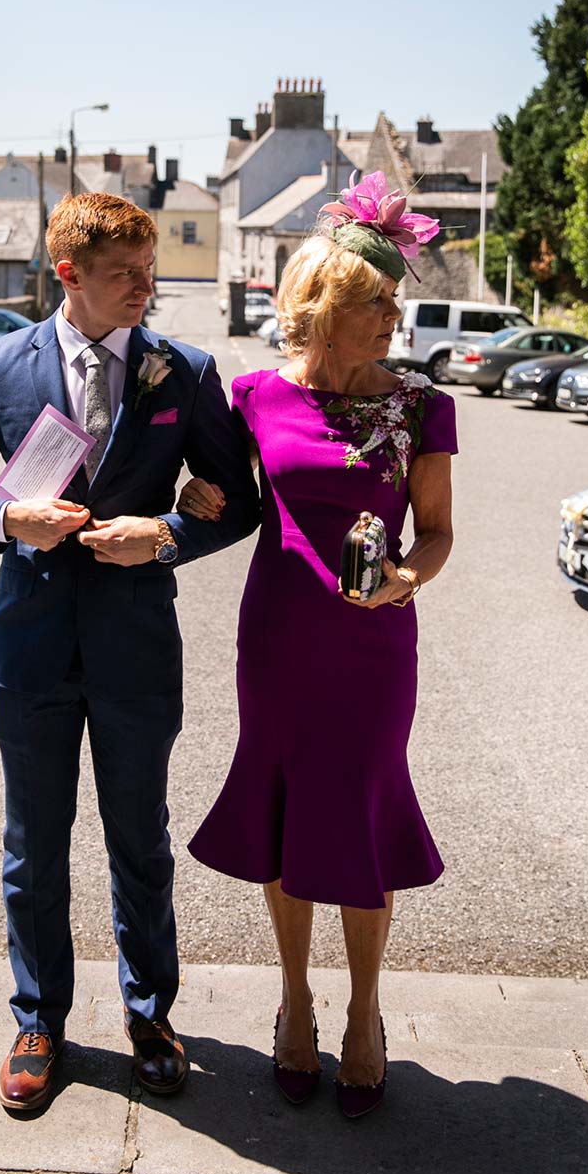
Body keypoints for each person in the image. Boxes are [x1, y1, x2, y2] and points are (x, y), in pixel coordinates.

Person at [0, 192, 259, 1114]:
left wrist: (169, 532)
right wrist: (8, 516)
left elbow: (240, 502)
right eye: (124, 274)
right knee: (34, 848)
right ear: (68, 276)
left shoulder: (185, 370)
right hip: (32, 648)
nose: (147, 286)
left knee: (141, 842)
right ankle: (39, 1019)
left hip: (138, 650)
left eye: (148, 270)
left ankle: (149, 1015)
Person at [180, 171, 456, 1119]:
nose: (390, 319)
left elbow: (438, 531)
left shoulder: (421, 404)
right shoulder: (254, 394)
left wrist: (406, 582)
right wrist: (190, 498)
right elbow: (218, 489)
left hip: (376, 649)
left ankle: (366, 1015)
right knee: (287, 810)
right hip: (280, 637)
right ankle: (295, 1001)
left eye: (394, 302)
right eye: (373, 304)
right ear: (322, 309)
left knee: (364, 809)